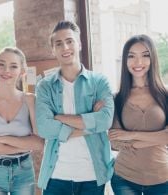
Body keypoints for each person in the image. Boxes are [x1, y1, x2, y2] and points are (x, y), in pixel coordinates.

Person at [35, 20, 114, 195]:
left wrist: (59, 118)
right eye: (59, 43)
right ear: (53, 50)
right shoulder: (44, 86)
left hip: (92, 177)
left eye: (70, 41)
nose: (65, 47)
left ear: (79, 44)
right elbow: (45, 128)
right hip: (56, 177)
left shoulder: (99, 82)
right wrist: (91, 124)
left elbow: (106, 120)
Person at [0, 47, 44, 195]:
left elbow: (39, 143)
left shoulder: (30, 99)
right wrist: (23, 145)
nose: (6, 70)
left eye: (13, 66)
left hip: (23, 171)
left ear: (22, 71)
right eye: (2, 64)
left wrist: (0, 139)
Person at [109, 34, 168, 195]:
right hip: (124, 178)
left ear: (153, 59)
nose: (138, 62)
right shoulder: (116, 99)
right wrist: (157, 137)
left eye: (145, 55)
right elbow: (114, 141)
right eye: (131, 56)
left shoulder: (165, 95)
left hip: (162, 178)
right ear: (125, 61)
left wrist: (131, 135)